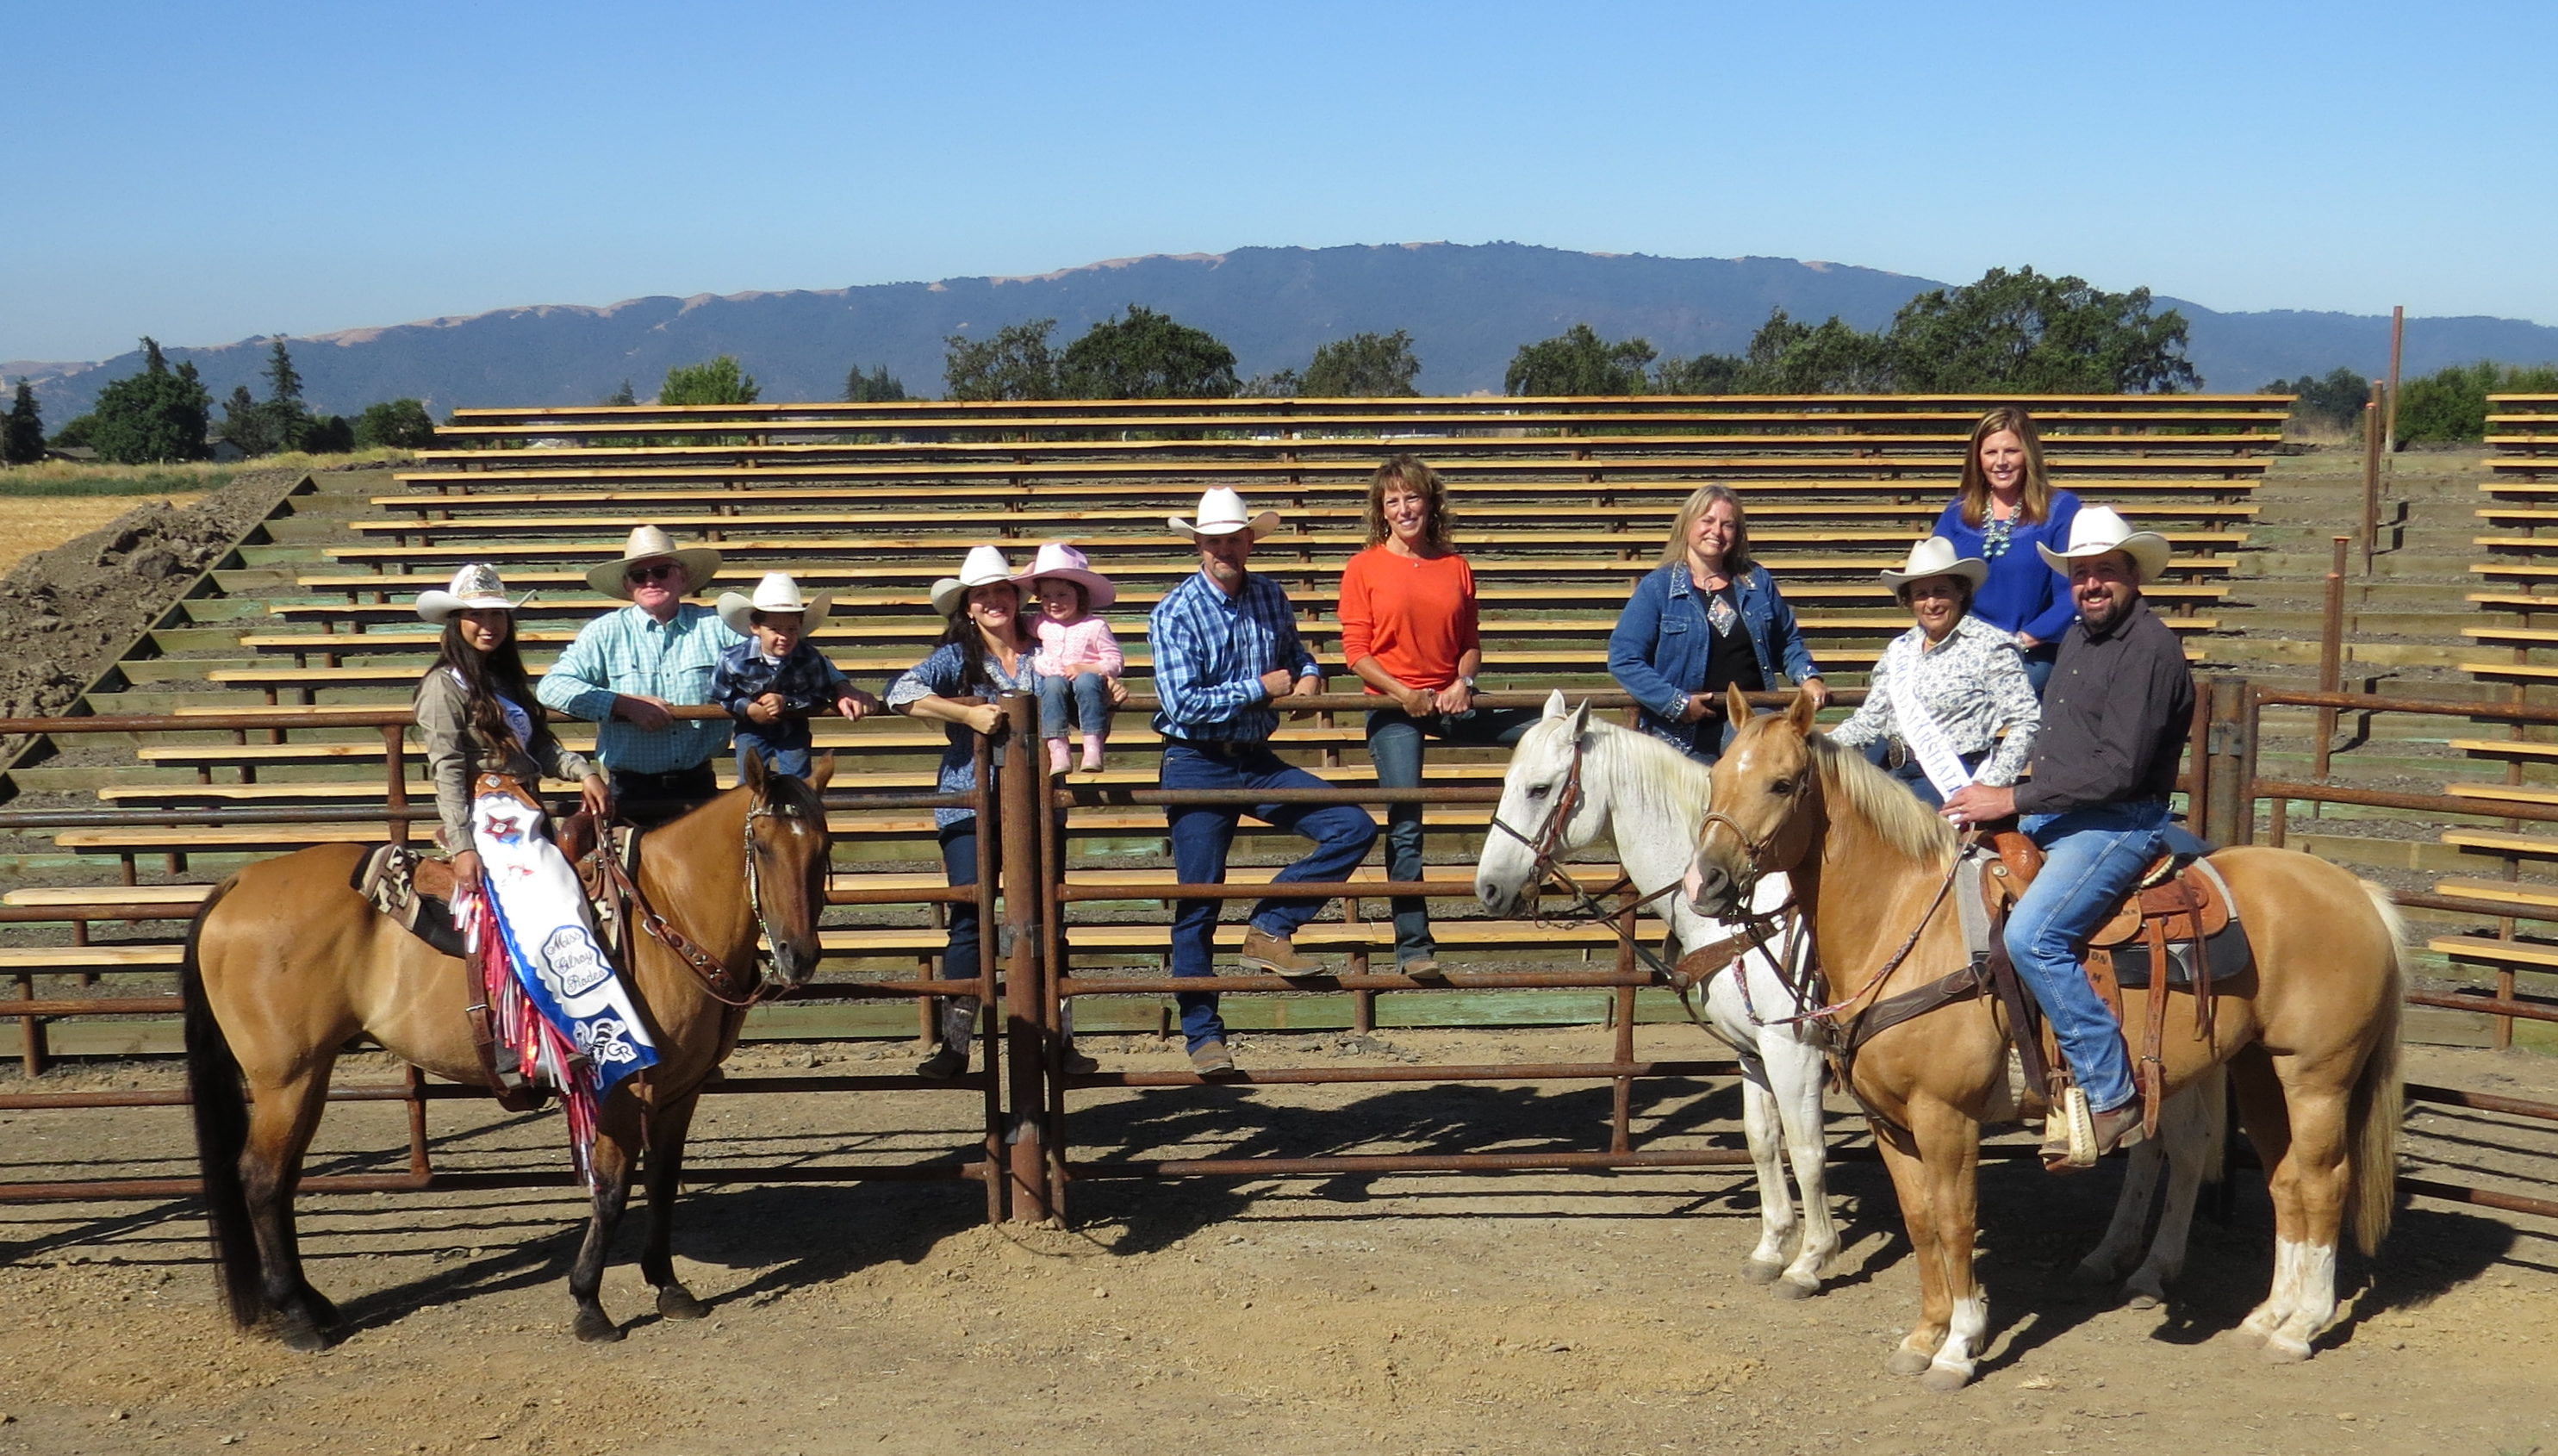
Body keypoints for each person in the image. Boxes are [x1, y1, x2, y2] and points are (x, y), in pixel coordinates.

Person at [1939, 505, 2197, 1169]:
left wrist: (2011, 797)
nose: (2090, 585)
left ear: (2133, 575)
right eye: (2080, 574)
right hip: (2060, 815)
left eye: (2103, 572)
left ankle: (2110, 1093)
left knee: (2035, 936)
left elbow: (2119, 770)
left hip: (2121, 822)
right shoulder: (2082, 638)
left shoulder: (2151, 649)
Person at [1151, 487, 1379, 1075]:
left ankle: (1270, 926)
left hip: (1250, 755)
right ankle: (1203, 1035)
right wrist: (1263, 688)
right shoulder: (1174, 610)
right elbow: (1181, 704)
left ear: (1250, 540)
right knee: (1198, 900)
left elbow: (1295, 655)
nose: (1225, 547)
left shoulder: (1269, 594)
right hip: (1196, 759)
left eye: (1234, 537)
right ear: (1199, 545)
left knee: (1350, 825)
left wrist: (1306, 677)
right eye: (1215, 540)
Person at [413, 564, 653, 1083]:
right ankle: (525, 1035)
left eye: (496, 614)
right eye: (475, 615)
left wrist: (582, 771)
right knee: (543, 898)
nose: (487, 625)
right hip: (488, 816)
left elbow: (540, 747)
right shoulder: (443, 686)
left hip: (525, 807)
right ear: (455, 622)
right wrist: (463, 845)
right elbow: (448, 767)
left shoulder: (503, 680)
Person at [887, 546, 1118, 1080]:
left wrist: (1107, 684)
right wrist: (965, 711)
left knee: (1046, 917)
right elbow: (900, 692)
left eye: (1001, 591)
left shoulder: (1048, 641)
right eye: (982, 595)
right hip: (971, 800)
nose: (993, 601)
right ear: (968, 607)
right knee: (971, 919)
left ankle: (1059, 1041)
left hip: (1036, 801)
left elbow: (1092, 674)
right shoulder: (956, 658)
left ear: (1016, 598)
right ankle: (955, 1043)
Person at [1338, 453, 1537, 976]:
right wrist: (1404, 693)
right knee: (1406, 822)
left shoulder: (1456, 565)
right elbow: (1356, 652)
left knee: (1547, 730)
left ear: (1430, 503)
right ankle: (1413, 947)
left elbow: (1471, 644)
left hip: (1453, 699)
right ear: (1382, 511)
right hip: (1394, 706)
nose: (1405, 508)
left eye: (1413, 497)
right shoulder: (1363, 567)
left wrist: (1462, 683)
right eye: (1394, 500)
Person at [1608, 484, 1826, 764]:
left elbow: (1787, 642)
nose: (1717, 532)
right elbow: (1624, 658)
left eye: (1728, 525)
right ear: (1687, 525)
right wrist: (1676, 704)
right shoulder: (1658, 587)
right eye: (1707, 521)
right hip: (1681, 733)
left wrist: (1809, 677)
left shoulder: (1757, 581)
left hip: (1752, 722)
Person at [537, 525, 738, 828]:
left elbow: (769, 664)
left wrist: (836, 683)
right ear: (628, 584)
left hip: (697, 785)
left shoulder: (717, 627)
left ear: (681, 576)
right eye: (639, 576)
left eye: (661, 571)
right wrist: (621, 704)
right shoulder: (605, 632)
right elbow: (551, 687)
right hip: (628, 791)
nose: (651, 581)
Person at [1825, 538, 2041, 810]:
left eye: (1941, 591)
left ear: (1960, 593)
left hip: (1956, 783)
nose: (1931, 603)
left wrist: (1991, 787)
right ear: (1909, 601)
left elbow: (2027, 720)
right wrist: (1815, 745)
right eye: (1921, 594)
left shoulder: (1991, 645)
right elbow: (1869, 722)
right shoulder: (1899, 650)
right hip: (1894, 779)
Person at [1932, 407, 2083, 694]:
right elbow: (1932, 585)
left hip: (2033, 652)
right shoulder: (1955, 514)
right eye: (1990, 453)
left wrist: (2022, 640)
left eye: (2011, 451)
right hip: (1965, 651)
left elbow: (2070, 595)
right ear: (1977, 458)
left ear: (2028, 454)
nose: (2001, 462)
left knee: (1971, 698)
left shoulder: (2061, 509)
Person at [711, 570, 878, 782]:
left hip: (793, 728)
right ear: (755, 628)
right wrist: (748, 708)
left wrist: (787, 703)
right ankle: (752, 813)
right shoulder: (732, 659)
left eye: (791, 629)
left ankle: (793, 814)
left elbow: (819, 695)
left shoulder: (810, 658)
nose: (784, 637)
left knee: (797, 781)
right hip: (751, 728)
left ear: (800, 627)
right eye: (774, 629)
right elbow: (721, 692)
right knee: (750, 783)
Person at [1018, 542, 1124, 775]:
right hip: (1056, 682)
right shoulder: (1041, 623)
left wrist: (1088, 667)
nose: (1054, 602)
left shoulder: (1095, 626)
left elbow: (1115, 660)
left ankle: (1093, 745)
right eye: (1045, 596)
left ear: (1080, 594)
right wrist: (1026, 579)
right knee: (1052, 684)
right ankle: (1058, 748)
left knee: (1086, 682)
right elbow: (1014, 617)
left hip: (1086, 683)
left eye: (1063, 594)